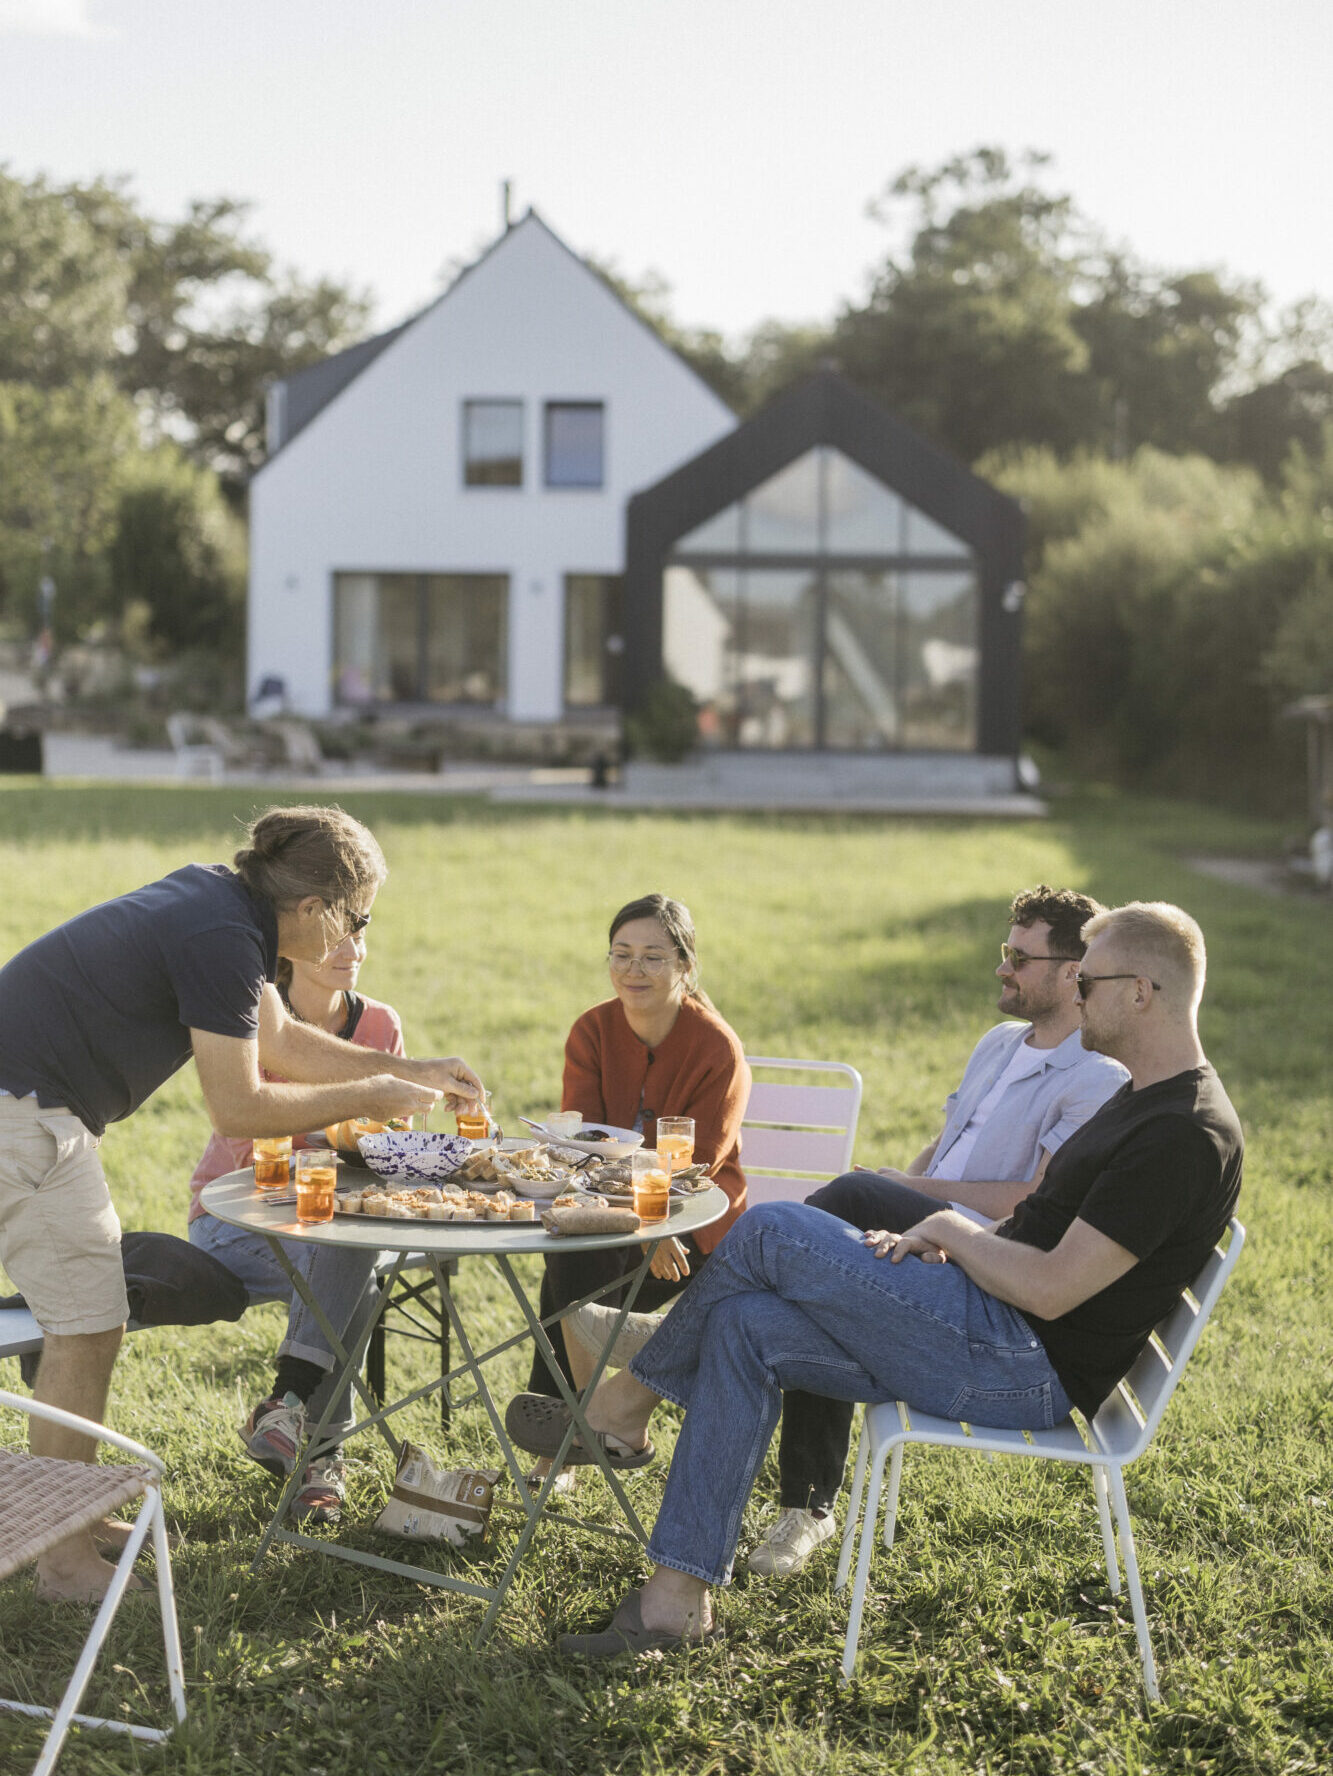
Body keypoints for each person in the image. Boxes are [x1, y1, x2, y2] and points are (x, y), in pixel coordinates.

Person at [510, 900, 1243, 1660]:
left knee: (767, 1228)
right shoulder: (1143, 1098)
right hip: (982, 1315)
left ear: (1140, 993)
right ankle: (672, 1608)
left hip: (1019, 1362)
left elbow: (1054, 1290)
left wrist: (951, 1231)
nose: (1075, 994)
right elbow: (1041, 1240)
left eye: (1086, 982)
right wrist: (945, 1246)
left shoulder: (1179, 1135)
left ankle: (625, 1402)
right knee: (740, 1325)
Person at [0, 803, 483, 1601]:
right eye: (355, 917)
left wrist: (415, 1069)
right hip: (25, 1117)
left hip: (32, 1108)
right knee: (83, 1327)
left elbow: (283, 1042)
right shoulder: (219, 935)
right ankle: (63, 1560)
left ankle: (66, 1524)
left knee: (83, 1324)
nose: (353, 935)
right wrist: (374, 1092)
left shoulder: (221, 908)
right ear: (310, 908)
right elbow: (238, 1105)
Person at [750, 884, 1128, 1578]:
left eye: (1019, 956)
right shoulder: (997, 1041)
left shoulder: (1097, 1076)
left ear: (1073, 972)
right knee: (820, 1271)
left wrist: (906, 1193)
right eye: (1003, 950)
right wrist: (909, 1181)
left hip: (981, 1262)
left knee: (848, 1202)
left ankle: (677, 1354)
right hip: (922, 1230)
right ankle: (805, 1509)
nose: (1001, 968)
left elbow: (1031, 1198)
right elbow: (949, 1138)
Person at [187, 912, 407, 1526]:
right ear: (291, 949)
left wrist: (388, 1128)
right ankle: (324, 1460)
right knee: (349, 1272)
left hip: (333, 1219)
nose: (351, 950)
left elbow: (387, 1137)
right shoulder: (251, 1016)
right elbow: (245, 1142)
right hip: (237, 1219)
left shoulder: (381, 1024)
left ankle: (285, 1406)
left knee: (345, 1244)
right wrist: (343, 1121)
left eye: (359, 934)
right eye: (335, 937)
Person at [518, 894, 749, 1476]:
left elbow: (699, 1166)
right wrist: (642, 1225)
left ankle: (568, 1437)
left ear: (685, 965)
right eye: (621, 954)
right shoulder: (592, 1030)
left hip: (697, 1225)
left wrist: (657, 1227)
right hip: (617, 1214)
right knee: (571, 1257)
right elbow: (579, 1150)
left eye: (652, 956)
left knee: (569, 1275)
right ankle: (594, 1422)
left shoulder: (717, 1048)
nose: (633, 969)